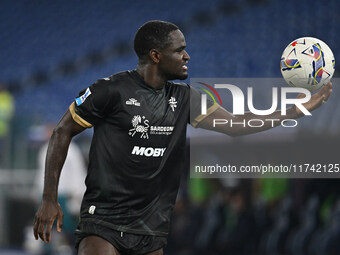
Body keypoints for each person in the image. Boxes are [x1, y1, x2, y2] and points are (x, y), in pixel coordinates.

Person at [33, 20, 332, 255]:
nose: (187, 55)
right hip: (103, 222)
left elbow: (236, 124)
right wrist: (49, 198)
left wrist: (294, 110)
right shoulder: (109, 90)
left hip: (151, 230)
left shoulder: (186, 98)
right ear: (156, 55)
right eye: (179, 50)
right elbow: (62, 131)